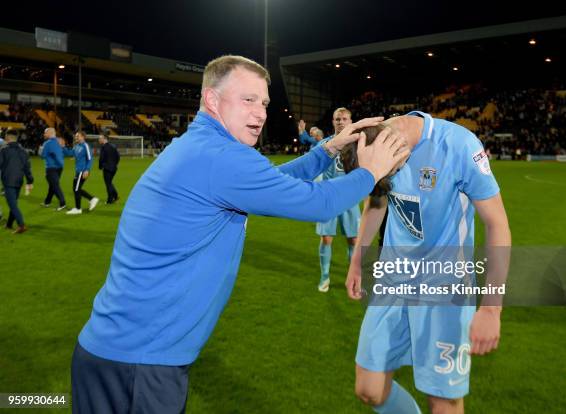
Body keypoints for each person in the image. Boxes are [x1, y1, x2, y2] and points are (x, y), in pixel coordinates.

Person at [71, 55, 409, 414]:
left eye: (264, 102)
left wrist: (328, 149)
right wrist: (370, 172)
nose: (261, 112)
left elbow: (275, 183)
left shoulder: (206, 147)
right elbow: (319, 203)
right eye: (247, 99)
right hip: (141, 364)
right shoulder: (221, 157)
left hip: (115, 352)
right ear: (212, 100)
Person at [344, 112, 511, 414]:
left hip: (444, 288)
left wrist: (491, 307)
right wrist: (357, 261)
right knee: (369, 389)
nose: (388, 179)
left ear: (394, 149)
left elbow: (497, 224)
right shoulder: (380, 147)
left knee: (444, 403)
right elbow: (377, 201)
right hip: (393, 282)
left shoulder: (459, 145)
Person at [314, 107, 362, 292]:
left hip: (350, 199)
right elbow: (316, 170)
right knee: (326, 239)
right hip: (329, 200)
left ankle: (352, 279)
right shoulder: (324, 145)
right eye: (337, 119)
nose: (341, 122)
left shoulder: (358, 144)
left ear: (350, 121)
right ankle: (325, 277)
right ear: (333, 122)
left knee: (353, 240)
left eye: (344, 119)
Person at [0, 131, 33, 234]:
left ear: (7, 138)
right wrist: (30, 181)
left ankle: (21, 225)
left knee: (12, 205)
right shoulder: (23, 151)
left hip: (8, 180)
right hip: (19, 180)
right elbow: (27, 168)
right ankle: (9, 224)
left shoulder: (3, 150)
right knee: (13, 202)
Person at [62, 131, 99, 215]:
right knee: (76, 189)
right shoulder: (76, 146)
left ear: (83, 137)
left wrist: (87, 170)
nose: (76, 138)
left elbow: (90, 159)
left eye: (77, 136)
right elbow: (70, 153)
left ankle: (78, 208)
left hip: (83, 171)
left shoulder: (85, 146)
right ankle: (92, 199)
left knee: (76, 189)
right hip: (78, 171)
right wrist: (63, 147)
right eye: (75, 136)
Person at [40, 127, 66, 211]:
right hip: (60, 167)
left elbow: (42, 156)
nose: (44, 134)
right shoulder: (59, 141)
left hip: (51, 168)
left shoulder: (47, 143)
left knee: (55, 186)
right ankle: (47, 202)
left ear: (50, 133)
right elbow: (63, 151)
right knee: (52, 185)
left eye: (45, 133)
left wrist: (40, 149)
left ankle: (62, 203)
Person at [98, 133, 120, 204]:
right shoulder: (113, 146)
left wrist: (100, 166)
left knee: (108, 184)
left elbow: (101, 158)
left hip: (107, 168)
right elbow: (118, 157)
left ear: (104, 139)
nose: (99, 140)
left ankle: (110, 200)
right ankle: (115, 196)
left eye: (100, 138)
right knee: (109, 183)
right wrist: (115, 164)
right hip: (114, 168)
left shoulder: (103, 147)